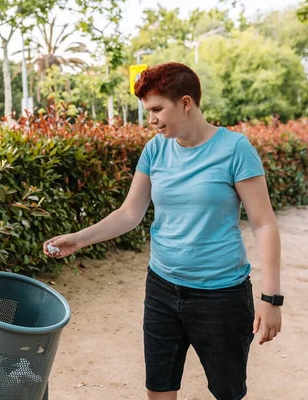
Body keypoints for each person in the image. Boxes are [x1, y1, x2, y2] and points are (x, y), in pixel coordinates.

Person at [43, 62, 282, 400]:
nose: (150, 119)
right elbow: (129, 212)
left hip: (221, 296)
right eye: (147, 110)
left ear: (186, 103)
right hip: (162, 290)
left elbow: (264, 223)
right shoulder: (155, 149)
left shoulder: (235, 149)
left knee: (228, 391)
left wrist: (271, 298)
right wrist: (78, 240)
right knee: (158, 390)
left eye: (157, 108)